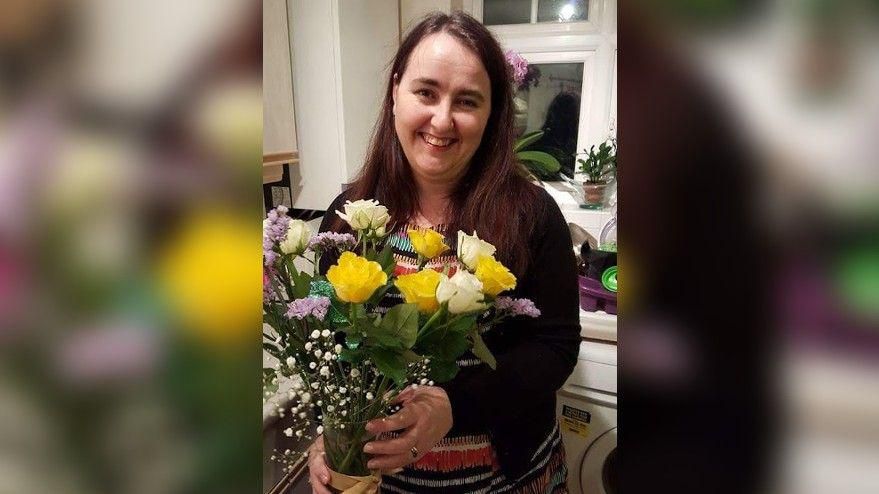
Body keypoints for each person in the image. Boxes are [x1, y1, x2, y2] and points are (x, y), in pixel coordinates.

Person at [307, 11, 580, 493]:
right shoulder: (349, 218)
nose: (441, 119)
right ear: (395, 91)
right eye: (426, 92)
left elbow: (556, 348)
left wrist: (455, 406)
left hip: (508, 483)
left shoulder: (531, 214)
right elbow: (332, 354)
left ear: (492, 114)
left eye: (467, 101)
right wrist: (328, 438)